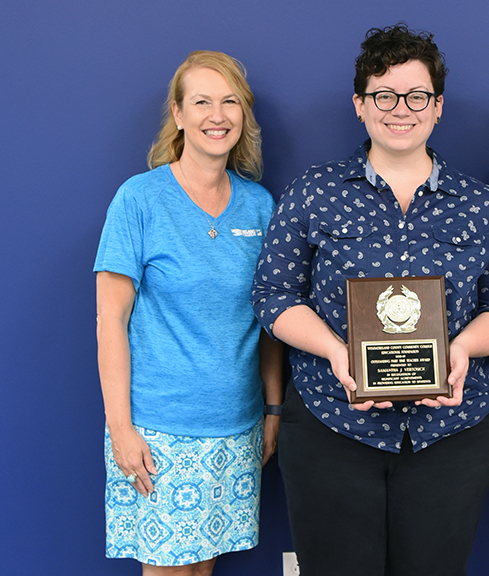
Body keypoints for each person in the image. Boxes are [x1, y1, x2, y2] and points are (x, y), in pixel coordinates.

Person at [251, 24, 489, 576]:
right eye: (384, 95)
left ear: (438, 106)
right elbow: (273, 294)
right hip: (334, 426)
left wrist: (465, 348)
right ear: (360, 104)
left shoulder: (479, 204)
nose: (400, 109)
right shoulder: (314, 192)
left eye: (417, 96)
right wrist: (334, 349)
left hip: (450, 435)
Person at [94, 51, 282, 576]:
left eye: (229, 102)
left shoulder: (260, 207)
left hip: (237, 427)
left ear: (243, 115)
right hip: (159, 431)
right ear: (177, 114)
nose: (216, 115)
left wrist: (273, 410)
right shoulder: (139, 200)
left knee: (203, 570)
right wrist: (120, 430)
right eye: (201, 101)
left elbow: (269, 321)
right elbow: (109, 322)